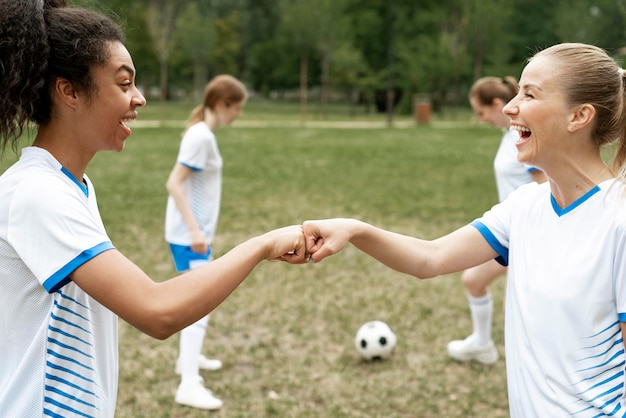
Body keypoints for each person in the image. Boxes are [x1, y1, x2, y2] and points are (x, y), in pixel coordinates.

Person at [0, 1, 307, 417]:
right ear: (69, 91)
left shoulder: (72, 186)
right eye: (123, 84)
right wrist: (262, 245)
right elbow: (157, 310)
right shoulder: (38, 194)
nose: (139, 98)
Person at [302, 43, 626, 416]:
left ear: (579, 116)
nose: (509, 107)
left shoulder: (617, 223)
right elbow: (431, 258)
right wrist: (355, 230)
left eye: (529, 94)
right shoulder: (524, 207)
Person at [447, 76, 546, 365]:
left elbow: (544, 188)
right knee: (474, 280)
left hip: (528, 237)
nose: (481, 119)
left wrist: (537, 241)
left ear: (496, 104)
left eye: (481, 112)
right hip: (511, 233)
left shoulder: (522, 137)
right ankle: (482, 345)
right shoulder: (509, 135)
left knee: (528, 306)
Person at [165, 75, 247, 410]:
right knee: (199, 306)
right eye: (237, 108)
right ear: (221, 104)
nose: (238, 114)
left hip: (190, 234)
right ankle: (187, 384)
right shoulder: (200, 136)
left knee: (200, 303)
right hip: (189, 237)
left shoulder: (203, 134)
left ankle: (189, 359)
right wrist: (195, 231)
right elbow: (174, 183)